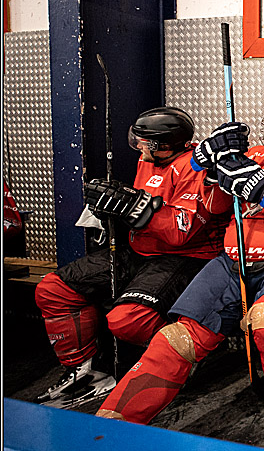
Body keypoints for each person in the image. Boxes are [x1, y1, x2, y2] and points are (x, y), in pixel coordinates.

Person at [96, 96, 264, 451]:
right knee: (176, 338)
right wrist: (211, 167)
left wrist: (260, 186)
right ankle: (111, 427)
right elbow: (215, 206)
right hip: (234, 259)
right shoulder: (256, 154)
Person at [34, 107, 229, 409]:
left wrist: (135, 207)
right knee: (54, 289)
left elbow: (181, 232)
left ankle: (190, 349)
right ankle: (86, 373)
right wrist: (110, 209)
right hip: (141, 250)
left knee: (127, 322)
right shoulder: (147, 160)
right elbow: (141, 206)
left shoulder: (197, 168)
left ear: (162, 144)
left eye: (143, 140)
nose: (137, 145)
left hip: (184, 257)